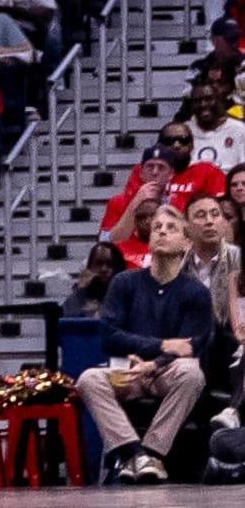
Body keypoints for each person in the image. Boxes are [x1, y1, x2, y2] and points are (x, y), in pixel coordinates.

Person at [75, 203, 212, 482]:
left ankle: (153, 452)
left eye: (170, 228)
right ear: (149, 240)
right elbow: (110, 336)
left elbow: (190, 346)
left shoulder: (195, 292)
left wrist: (154, 363)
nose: (161, 232)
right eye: (157, 228)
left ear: (186, 244)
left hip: (165, 372)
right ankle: (132, 454)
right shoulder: (124, 282)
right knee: (89, 379)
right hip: (128, 370)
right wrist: (162, 346)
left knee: (191, 373)